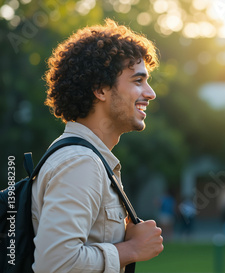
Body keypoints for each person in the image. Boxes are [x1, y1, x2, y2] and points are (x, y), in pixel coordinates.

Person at [31, 19, 163, 272]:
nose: (150, 93)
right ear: (100, 89)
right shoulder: (80, 163)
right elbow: (55, 265)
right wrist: (132, 249)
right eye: (138, 81)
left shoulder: (86, 158)